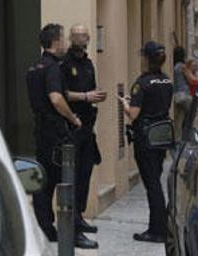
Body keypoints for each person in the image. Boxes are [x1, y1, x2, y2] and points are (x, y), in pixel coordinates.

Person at [25, 23, 97, 249]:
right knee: (69, 181)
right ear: (55, 42)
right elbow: (56, 98)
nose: (66, 42)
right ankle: (73, 233)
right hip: (58, 133)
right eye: (64, 38)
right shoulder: (53, 68)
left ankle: (47, 229)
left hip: (42, 132)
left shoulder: (34, 68)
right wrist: (74, 119)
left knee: (44, 185)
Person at [120, 41, 174, 243]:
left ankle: (157, 229)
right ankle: (159, 225)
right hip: (161, 136)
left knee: (152, 185)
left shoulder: (142, 83)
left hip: (146, 138)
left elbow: (133, 115)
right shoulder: (167, 81)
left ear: (146, 59)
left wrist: (126, 103)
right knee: (155, 180)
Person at [61, 24, 107, 237]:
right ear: (71, 37)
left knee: (85, 172)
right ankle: (71, 223)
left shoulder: (89, 64)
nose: (81, 38)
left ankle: (80, 215)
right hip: (72, 125)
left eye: (84, 35)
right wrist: (86, 96)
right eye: (77, 35)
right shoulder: (64, 63)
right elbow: (62, 94)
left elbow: (92, 89)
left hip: (88, 126)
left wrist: (96, 95)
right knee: (73, 173)